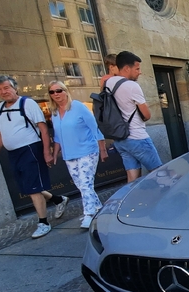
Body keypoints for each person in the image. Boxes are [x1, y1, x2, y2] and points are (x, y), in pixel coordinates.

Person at [0, 75, 68, 238]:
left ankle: (43, 223)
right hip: (13, 153)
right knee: (29, 187)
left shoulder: (28, 104)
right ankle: (58, 200)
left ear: (15, 88)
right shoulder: (0, 108)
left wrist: (46, 152)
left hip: (30, 150)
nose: (3, 92)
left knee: (33, 188)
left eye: (6, 88)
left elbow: (43, 129)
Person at [48, 81, 107, 229]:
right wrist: (55, 153)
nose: (56, 94)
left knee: (86, 183)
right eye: (52, 92)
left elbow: (95, 128)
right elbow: (57, 137)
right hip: (69, 155)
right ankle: (98, 207)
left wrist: (103, 149)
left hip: (87, 150)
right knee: (81, 185)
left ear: (66, 91)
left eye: (59, 90)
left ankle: (88, 214)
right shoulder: (54, 113)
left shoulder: (78, 107)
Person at [105, 51, 162, 183]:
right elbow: (147, 115)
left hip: (120, 139)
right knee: (159, 173)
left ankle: (133, 202)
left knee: (132, 179)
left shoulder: (108, 84)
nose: (140, 72)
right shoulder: (132, 86)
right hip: (137, 137)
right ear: (126, 68)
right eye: (137, 68)